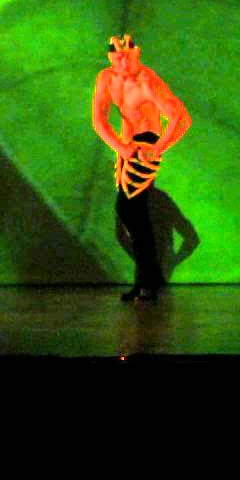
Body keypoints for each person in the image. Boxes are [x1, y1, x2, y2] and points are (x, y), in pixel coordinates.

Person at [91, 34, 191, 302]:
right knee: (134, 218)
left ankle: (149, 281)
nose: (123, 62)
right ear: (111, 57)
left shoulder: (146, 82)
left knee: (131, 212)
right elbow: (99, 119)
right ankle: (146, 282)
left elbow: (181, 118)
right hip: (127, 147)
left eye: (128, 57)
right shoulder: (106, 79)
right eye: (118, 57)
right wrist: (121, 147)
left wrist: (157, 149)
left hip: (145, 145)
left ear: (137, 54)